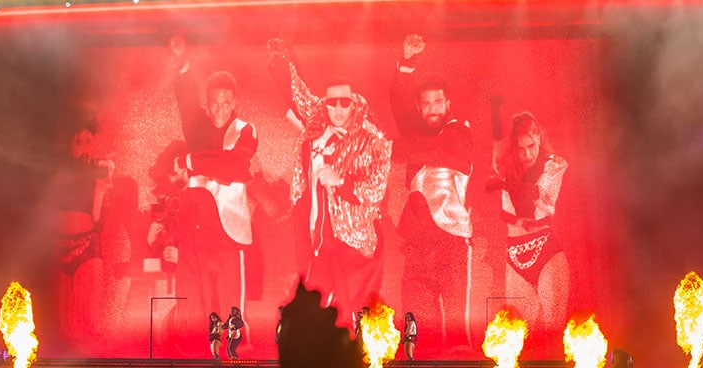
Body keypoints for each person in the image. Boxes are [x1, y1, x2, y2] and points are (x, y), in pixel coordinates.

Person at [268, 39, 392, 322]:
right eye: (331, 102)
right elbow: (299, 94)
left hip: (353, 240)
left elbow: (376, 189)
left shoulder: (371, 138)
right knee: (317, 306)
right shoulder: (319, 123)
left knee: (351, 312)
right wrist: (282, 58)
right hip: (316, 236)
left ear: (354, 103)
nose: (337, 109)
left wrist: (340, 182)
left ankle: (357, 360)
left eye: (344, 103)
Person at [168, 33, 257, 336]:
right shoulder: (198, 125)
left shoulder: (245, 131)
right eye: (214, 102)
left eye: (226, 102)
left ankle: (235, 359)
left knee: (230, 308)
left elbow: (232, 166)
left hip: (227, 232)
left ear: (235, 102)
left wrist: (192, 161)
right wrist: (182, 63)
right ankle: (193, 360)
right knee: (194, 306)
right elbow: (184, 98)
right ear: (208, 103)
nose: (220, 108)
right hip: (194, 229)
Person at [390, 33, 474, 349]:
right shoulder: (415, 134)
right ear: (419, 108)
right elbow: (397, 101)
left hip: (452, 246)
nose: (432, 108)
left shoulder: (459, 132)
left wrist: (399, 147)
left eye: (438, 101)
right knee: (419, 338)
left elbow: (438, 152)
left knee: (457, 340)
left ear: (447, 104)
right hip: (418, 250)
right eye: (426, 104)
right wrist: (407, 63)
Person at [488, 112, 568, 335]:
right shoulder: (506, 170)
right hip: (513, 254)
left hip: (545, 250)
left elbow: (535, 195)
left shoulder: (553, 166)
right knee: (521, 334)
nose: (527, 154)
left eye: (531, 146)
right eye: (520, 149)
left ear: (539, 139)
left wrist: (505, 179)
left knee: (552, 329)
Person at [50, 111, 114, 347]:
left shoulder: (101, 167)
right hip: (59, 247)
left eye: (89, 141)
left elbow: (102, 199)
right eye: (79, 142)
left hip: (87, 244)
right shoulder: (60, 170)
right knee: (69, 330)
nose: (85, 146)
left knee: (93, 323)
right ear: (70, 144)